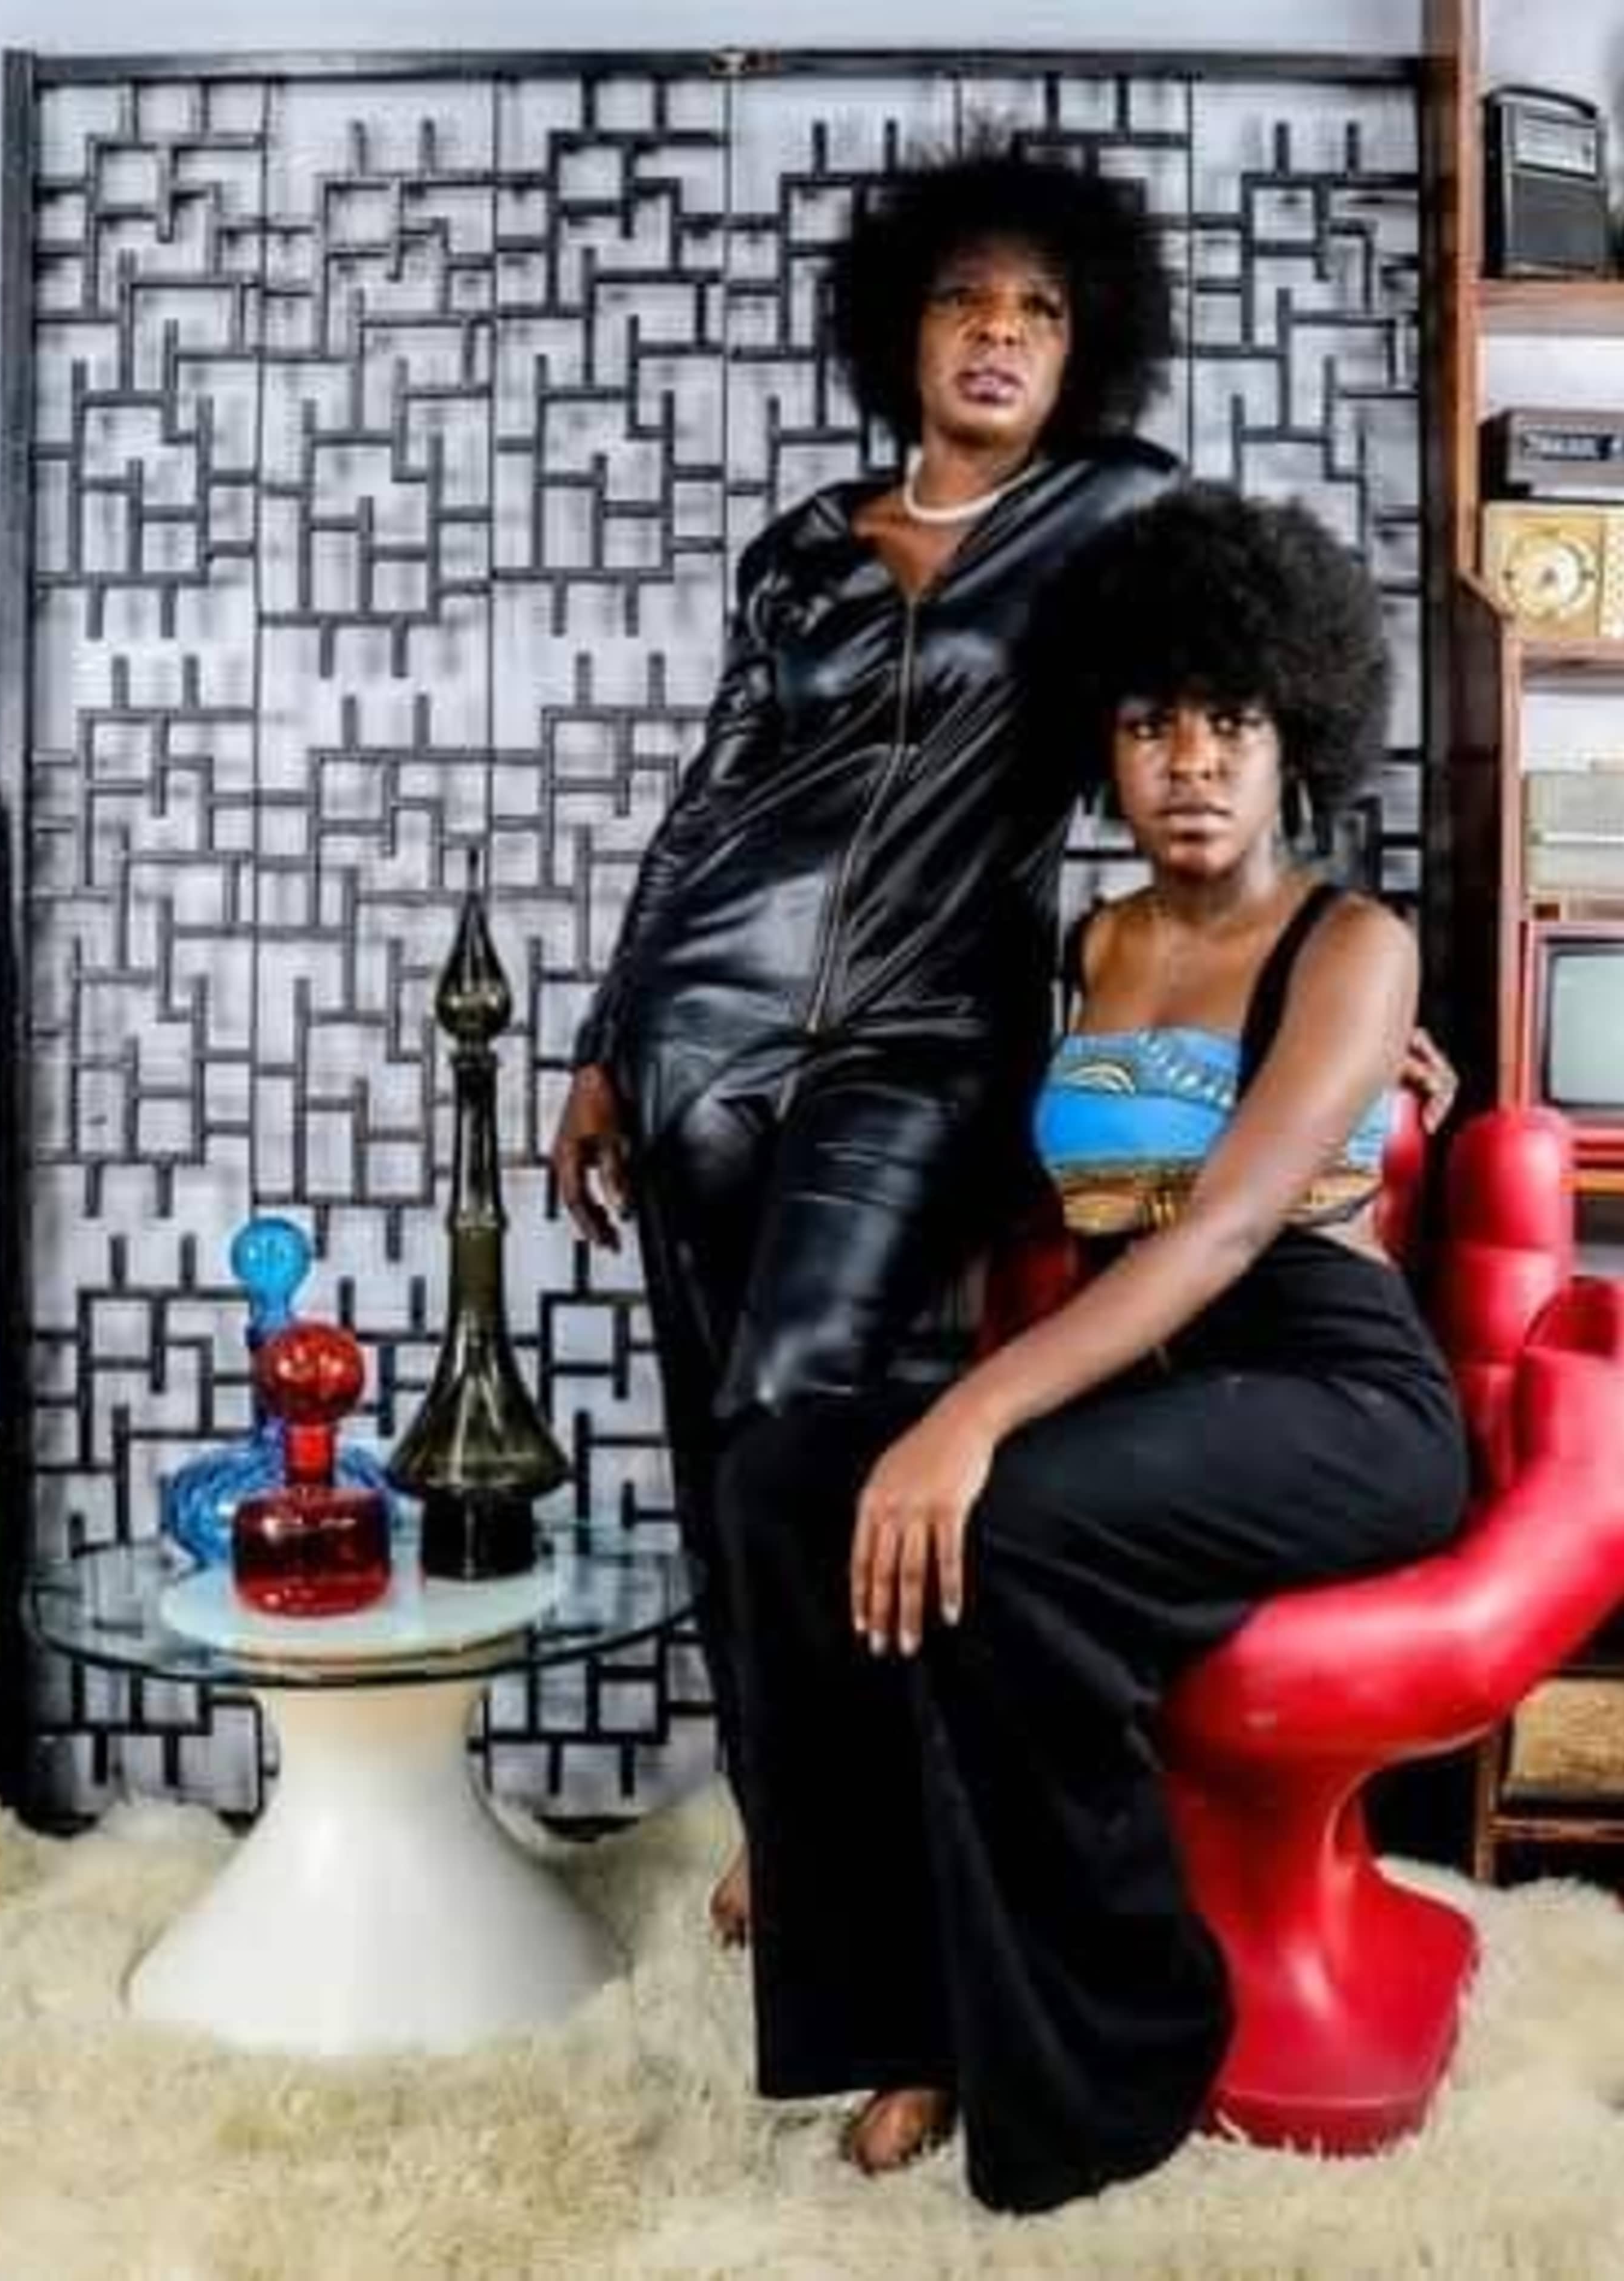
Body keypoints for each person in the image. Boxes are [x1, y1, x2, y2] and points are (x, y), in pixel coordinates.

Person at [713, 483, 1471, 2213]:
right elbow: (1003, 1176)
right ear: (1104, 752)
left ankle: (1106, 2048)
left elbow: (1213, 1233)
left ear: (1298, 740)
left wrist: (967, 1421)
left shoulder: (1354, 946)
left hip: (1330, 1385)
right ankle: (903, 2009)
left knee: (1009, 1517)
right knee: (780, 1477)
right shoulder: (1087, 946)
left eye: (1229, 722)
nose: (1190, 760)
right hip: (1146, 1377)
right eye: (1148, 726)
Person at [551, 146, 1183, 1941]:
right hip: (704, 1038)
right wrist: (609, 1042)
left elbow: (1225, 731)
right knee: (717, 1456)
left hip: (923, 1049)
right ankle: (784, 1813)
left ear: (1085, 349)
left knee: (793, 1424)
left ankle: (870, 1852)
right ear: (898, 331)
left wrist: (1320, 983)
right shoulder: (805, 550)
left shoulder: (1119, 516)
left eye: (1040, 309)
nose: (998, 333)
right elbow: (710, 802)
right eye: (962, 300)